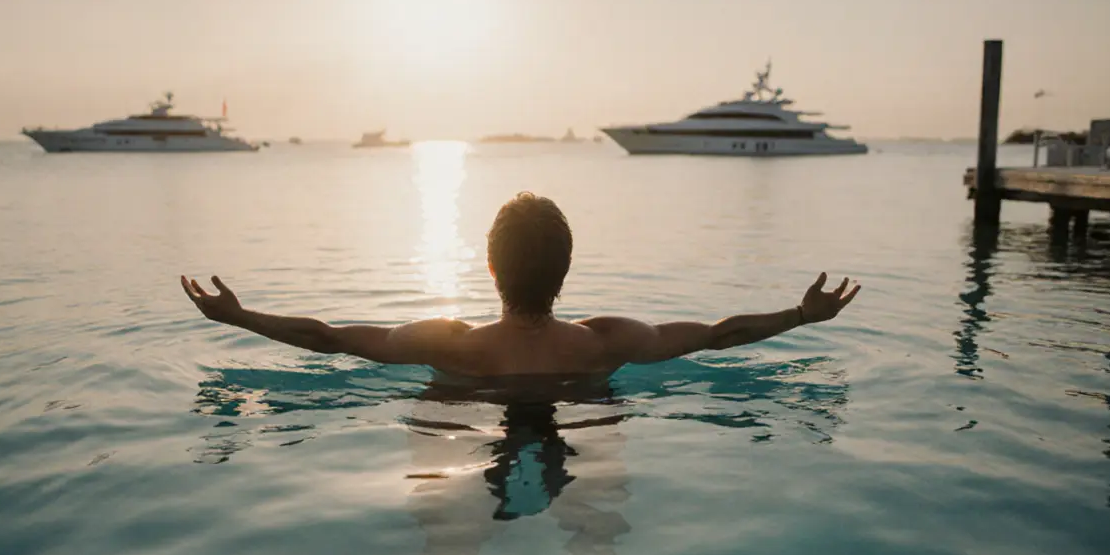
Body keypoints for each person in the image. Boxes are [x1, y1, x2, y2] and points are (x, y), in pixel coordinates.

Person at [180, 192, 859, 377]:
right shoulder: (607, 342)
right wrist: (800, 316)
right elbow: (719, 336)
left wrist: (241, 319)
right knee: (595, 538)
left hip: (466, 413)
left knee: (446, 543)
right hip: (582, 416)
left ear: (492, 268)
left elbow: (327, 339)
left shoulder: (450, 344)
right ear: (565, 269)